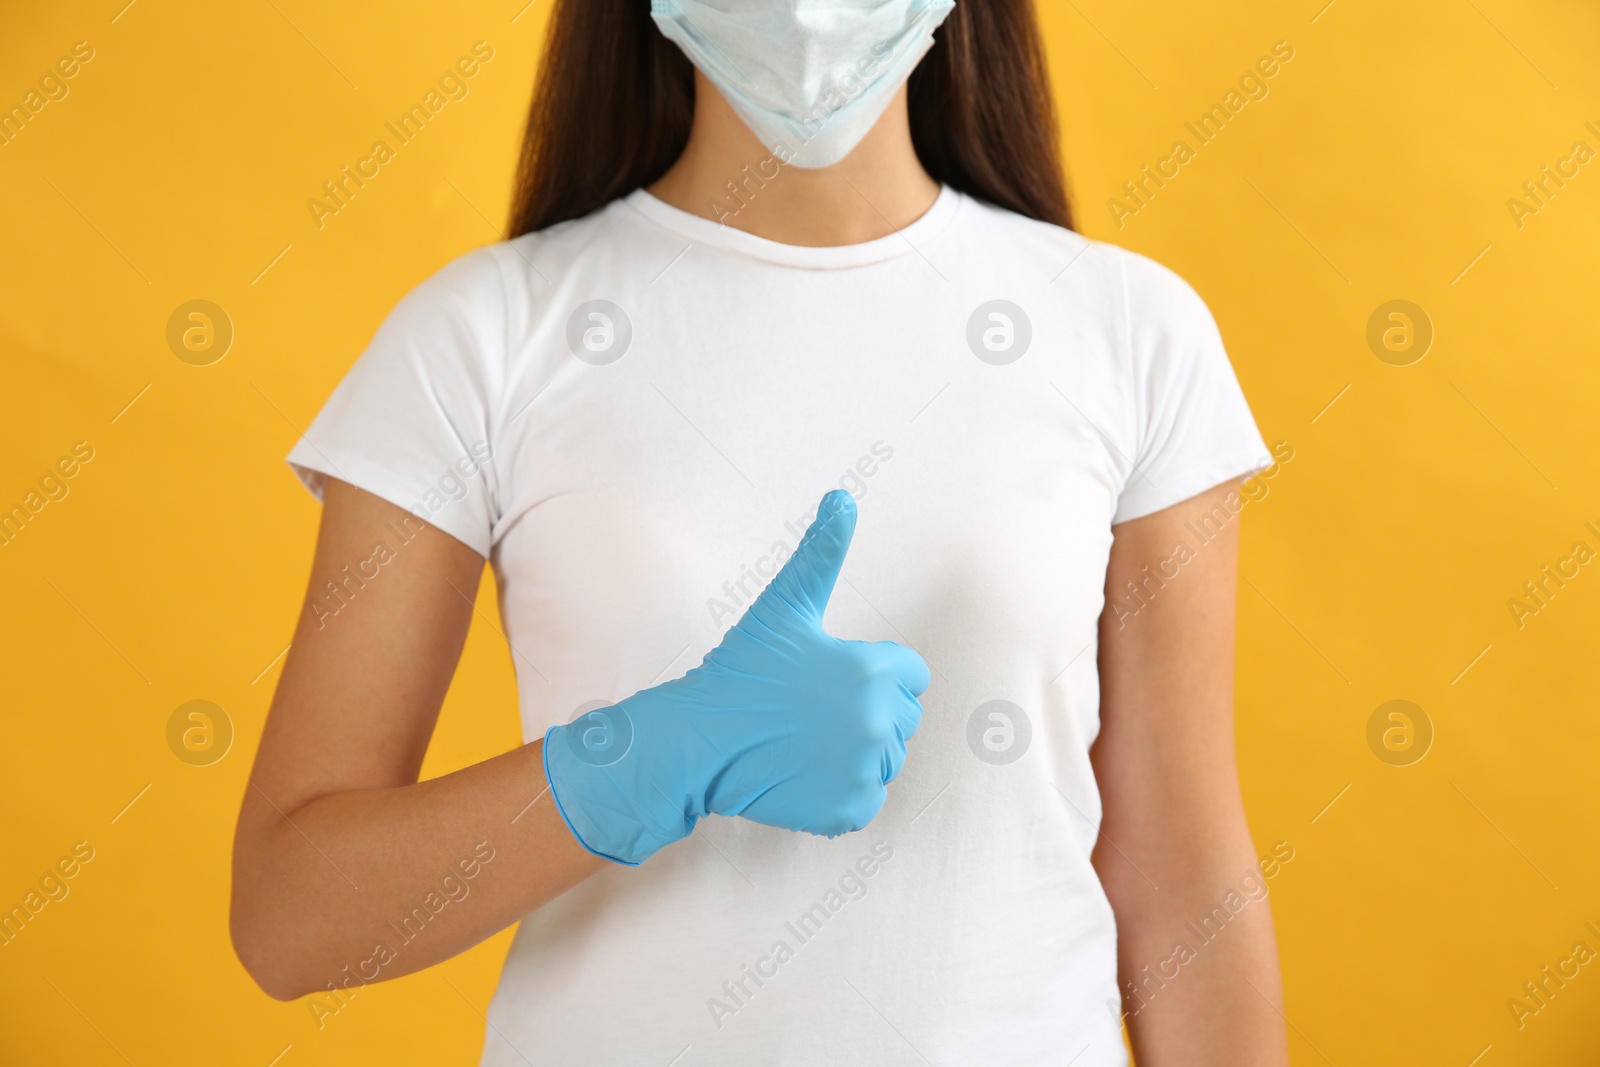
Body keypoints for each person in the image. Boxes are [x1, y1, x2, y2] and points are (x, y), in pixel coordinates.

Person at [230, 1, 1289, 1063]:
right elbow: (290, 916)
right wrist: (656, 753)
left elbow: (1180, 885)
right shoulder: (484, 337)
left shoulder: (1127, 331)